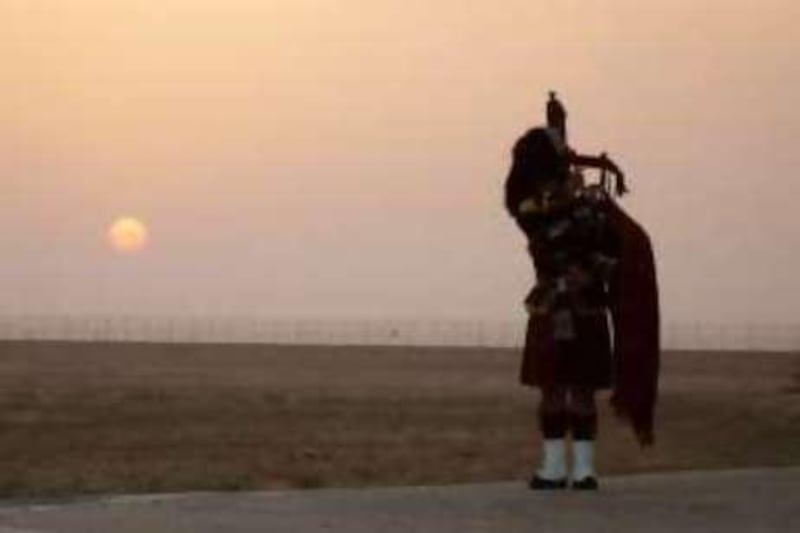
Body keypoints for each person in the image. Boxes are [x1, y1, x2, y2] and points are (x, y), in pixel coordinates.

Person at [504, 93, 659, 490]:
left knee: (582, 392)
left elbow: (604, 243)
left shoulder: (583, 203)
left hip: (583, 306)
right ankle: (554, 468)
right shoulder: (533, 208)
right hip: (554, 304)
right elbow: (546, 220)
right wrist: (573, 191)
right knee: (554, 390)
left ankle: (584, 469)